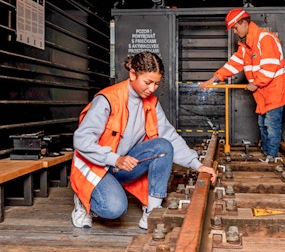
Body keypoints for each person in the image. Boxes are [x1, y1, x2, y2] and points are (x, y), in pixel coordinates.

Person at [71, 50, 217, 230]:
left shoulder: (151, 103)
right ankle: (83, 200)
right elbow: (81, 140)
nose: (152, 89)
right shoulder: (107, 99)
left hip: (121, 166)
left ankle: (152, 212)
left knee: (163, 146)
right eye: (147, 82)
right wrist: (114, 159)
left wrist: (196, 164)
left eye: (156, 83)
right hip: (95, 166)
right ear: (132, 74)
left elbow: (168, 135)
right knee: (114, 208)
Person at [199, 8, 285, 163]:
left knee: (271, 125)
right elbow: (233, 65)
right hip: (264, 93)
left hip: (276, 91)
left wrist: (255, 83)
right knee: (263, 124)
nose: (234, 31)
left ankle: (271, 158)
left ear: (244, 23)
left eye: (235, 27)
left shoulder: (264, 39)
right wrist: (214, 79)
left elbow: (270, 66)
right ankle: (267, 154)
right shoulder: (246, 46)